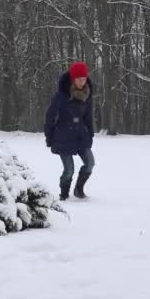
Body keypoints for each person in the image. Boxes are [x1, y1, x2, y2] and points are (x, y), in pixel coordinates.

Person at [45, 61, 95, 201]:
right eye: (79, 79)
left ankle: (79, 190)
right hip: (63, 137)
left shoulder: (87, 93)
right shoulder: (61, 95)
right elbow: (50, 117)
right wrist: (49, 137)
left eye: (84, 78)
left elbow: (88, 116)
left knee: (90, 163)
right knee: (69, 170)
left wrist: (90, 134)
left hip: (81, 137)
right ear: (73, 79)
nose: (82, 81)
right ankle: (64, 195)